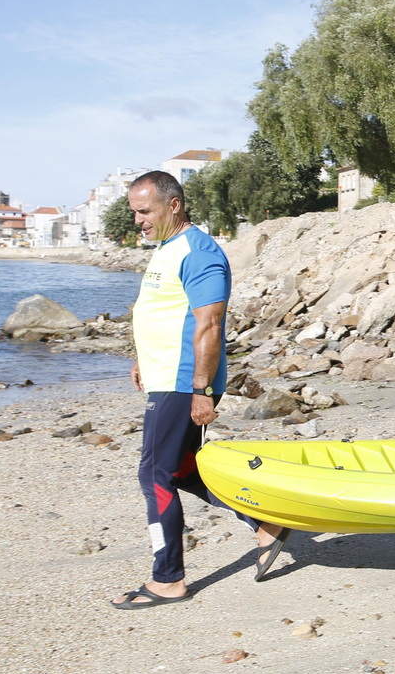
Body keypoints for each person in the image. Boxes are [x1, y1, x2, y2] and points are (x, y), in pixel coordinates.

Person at [109, 171, 289, 608]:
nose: (138, 220)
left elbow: (209, 324)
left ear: (173, 205)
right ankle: (267, 525)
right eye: (134, 211)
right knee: (184, 469)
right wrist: (141, 356)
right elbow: (165, 312)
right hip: (165, 376)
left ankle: (167, 578)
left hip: (182, 383)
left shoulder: (199, 252)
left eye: (144, 211)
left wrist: (202, 390)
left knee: (155, 476)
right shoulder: (168, 249)